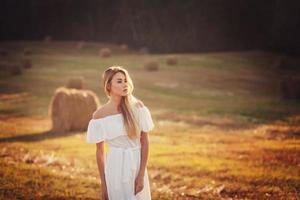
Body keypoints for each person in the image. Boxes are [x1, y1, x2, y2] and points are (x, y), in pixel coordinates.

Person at [86, 66, 154, 200]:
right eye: (119, 81)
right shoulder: (99, 116)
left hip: (136, 164)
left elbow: (145, 142)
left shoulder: (138, 108)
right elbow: (100, 152)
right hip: (115, 166)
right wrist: (104, 185)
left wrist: (140, 175)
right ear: (108, 86)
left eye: (125, 80)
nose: (124, 84)